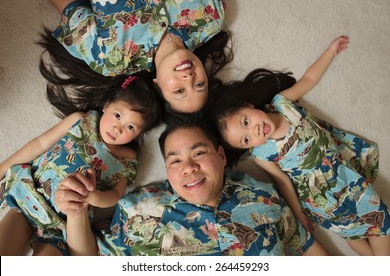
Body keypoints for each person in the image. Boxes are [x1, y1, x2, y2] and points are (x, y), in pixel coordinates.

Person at [208, 35, 390, 255]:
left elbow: (309, 79)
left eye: (246, 121)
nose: (254, 131)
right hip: (321, 198)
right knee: (381, 220)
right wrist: (299, 214)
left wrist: (331, 51)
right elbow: (283, 181)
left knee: (355, 231)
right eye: (246, 140)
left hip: (341, 172)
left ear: (248, 105)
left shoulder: (282, 104)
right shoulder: (261, 154)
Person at [54, 115, 328, 256]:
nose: (188, 167)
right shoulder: (139, 209)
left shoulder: (263, 197)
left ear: (221, 157)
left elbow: (308, 249)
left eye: (198, 153)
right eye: (175, 161)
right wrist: (76, 211)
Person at [0, 75, 162, 255]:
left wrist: (94, 197)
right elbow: (40, 144)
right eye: (117, 115)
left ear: (139, 133)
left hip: (64, 223)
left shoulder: (128, 160)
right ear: (107, 106)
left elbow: (115, 195)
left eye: (131, 127)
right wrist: (3, 167)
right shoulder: (81, 120)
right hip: (30, 195)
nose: (118, 128)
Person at [42, 0, 232, 113]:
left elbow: (68, 5)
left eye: (180, 90)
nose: (189, 78)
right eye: (200, 84)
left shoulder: (111, 58)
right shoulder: (211, 18)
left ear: (158, 86)